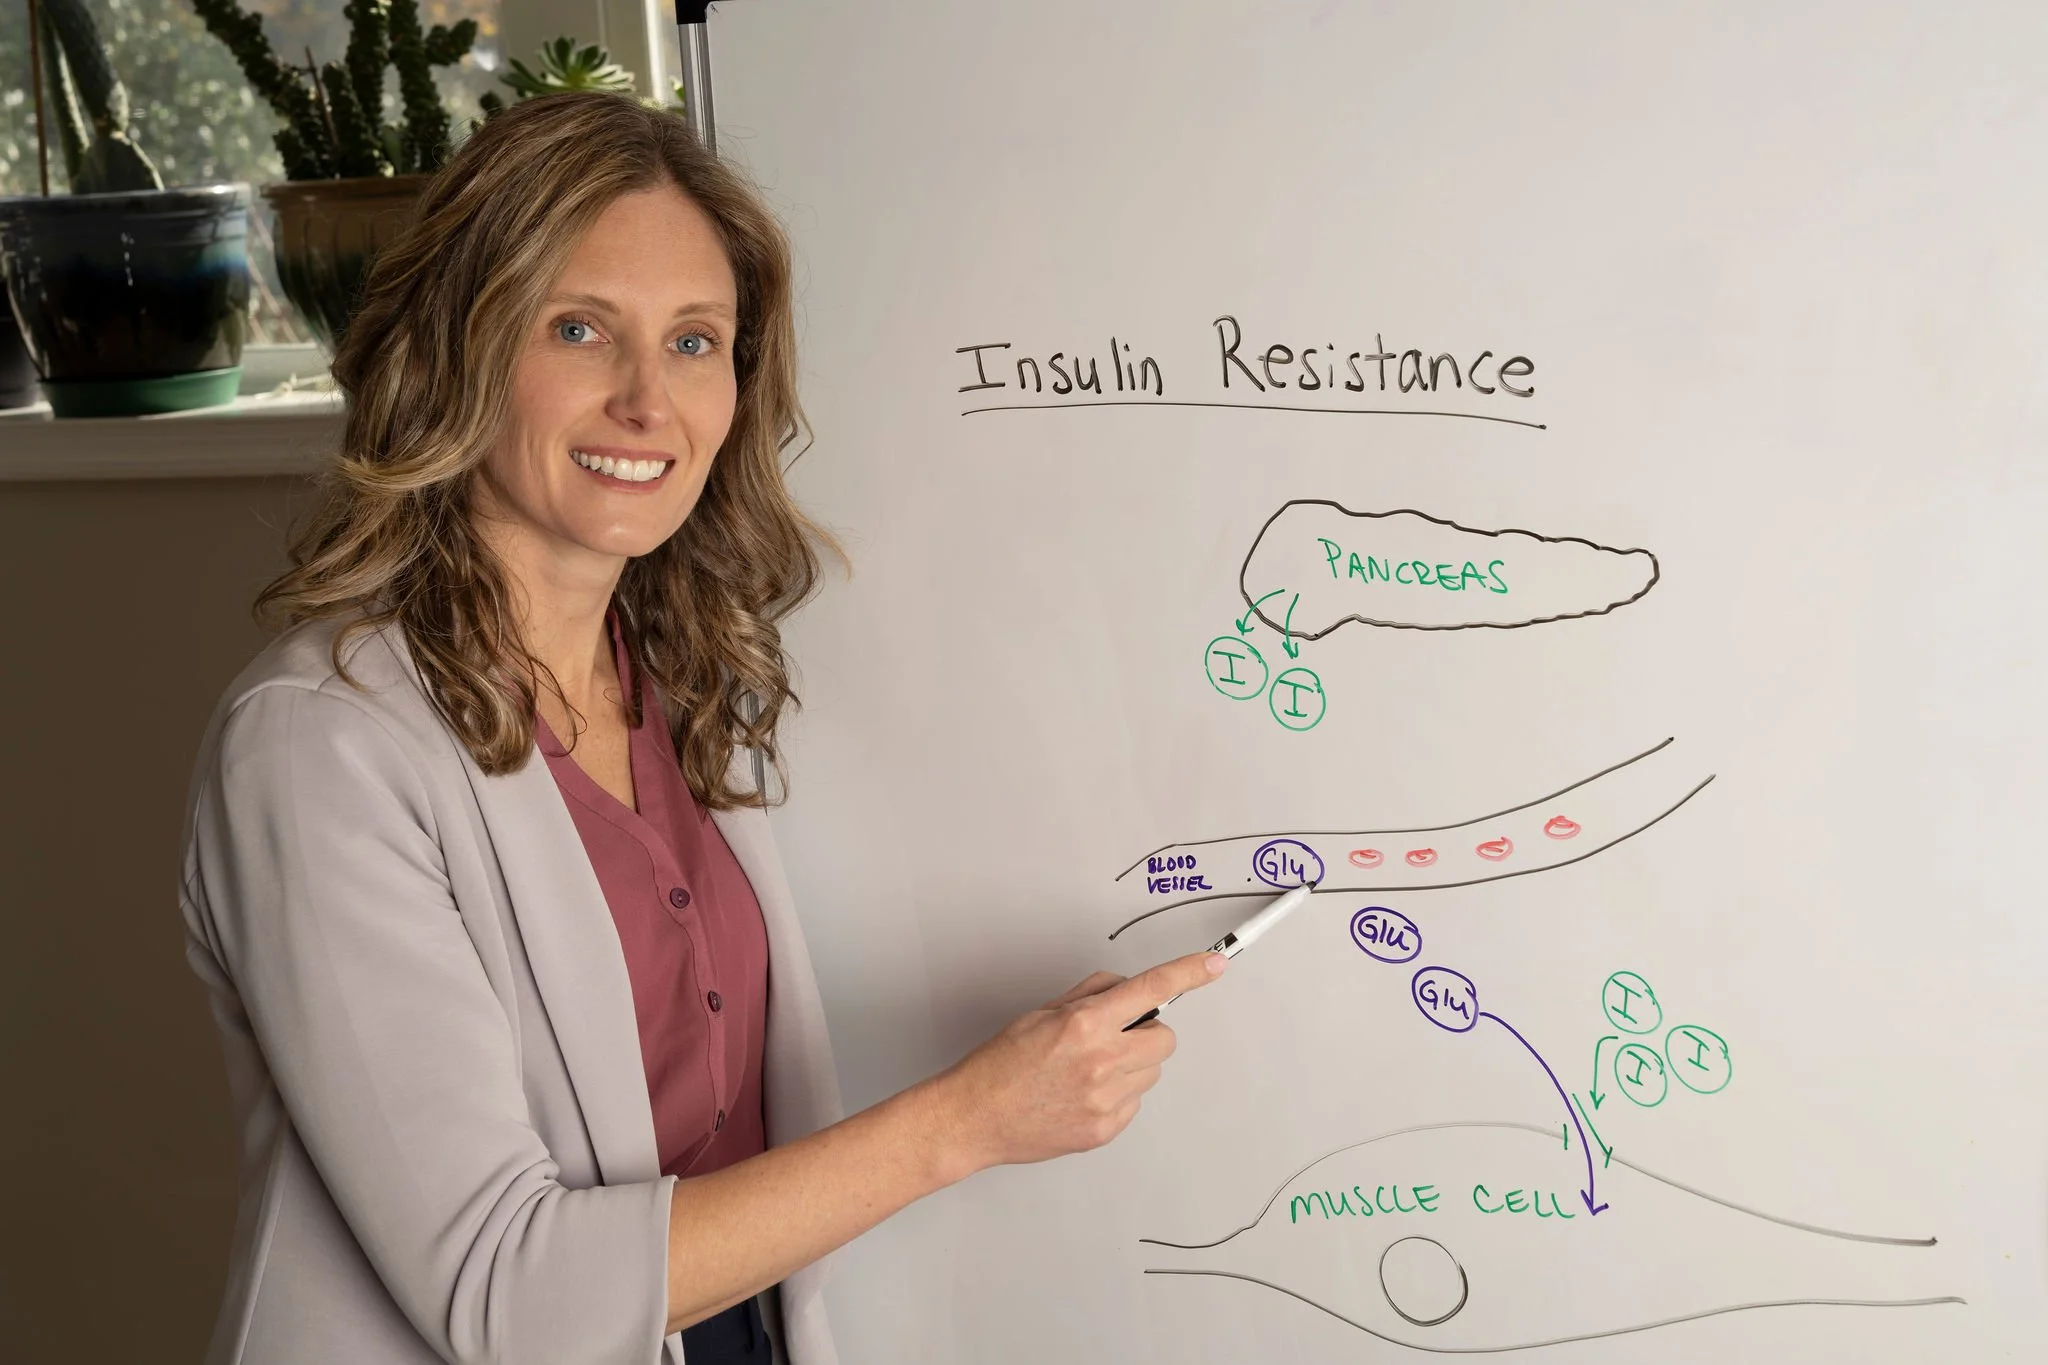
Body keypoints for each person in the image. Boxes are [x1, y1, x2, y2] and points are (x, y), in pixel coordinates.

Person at [175, 92, 1223, 1365]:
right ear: (455, 349)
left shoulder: (685, 680)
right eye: (578, 330)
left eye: (693, 341)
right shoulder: (318, 746)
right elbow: (509, 1295)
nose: (645, 401)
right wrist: (972, 1119)